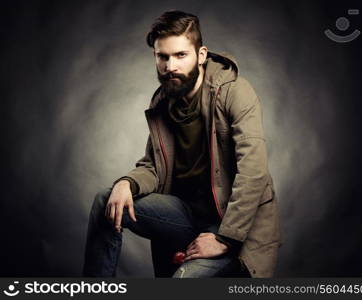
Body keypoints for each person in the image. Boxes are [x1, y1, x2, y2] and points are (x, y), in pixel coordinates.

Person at [83, 10, 282, 278]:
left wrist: (225, 239)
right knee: (107, 201)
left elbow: (253, 172)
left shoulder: (234, 92)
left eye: (180, 55)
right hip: (186, 216)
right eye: (162, 57)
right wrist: (125, 183)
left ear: (200, 55)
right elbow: (153, 167)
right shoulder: (163, 102)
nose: (170, 66)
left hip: (233, 225)